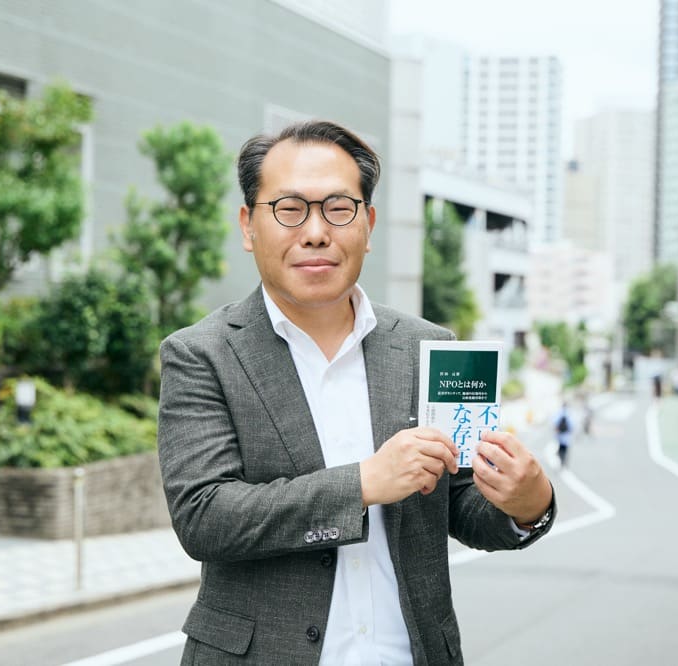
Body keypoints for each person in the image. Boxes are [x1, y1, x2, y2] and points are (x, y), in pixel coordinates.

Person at [157, 120, 556, 665]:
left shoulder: (430, 347)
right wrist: (365, 483)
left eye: (338, 209)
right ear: (249, 225)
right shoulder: (201, 354)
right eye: (289, 209)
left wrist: (528, 503)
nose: (315, 232)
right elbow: (204, 517)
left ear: (367, 225)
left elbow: (462, 502)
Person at [554, 401, 573, 468]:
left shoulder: (559, 412)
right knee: (565, 449)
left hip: (560, 434)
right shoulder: (569, 413)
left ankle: (561, 459)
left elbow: (555, 422)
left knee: (561, 448)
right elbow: (572, 424)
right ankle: (564, 461)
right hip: (566, 435)